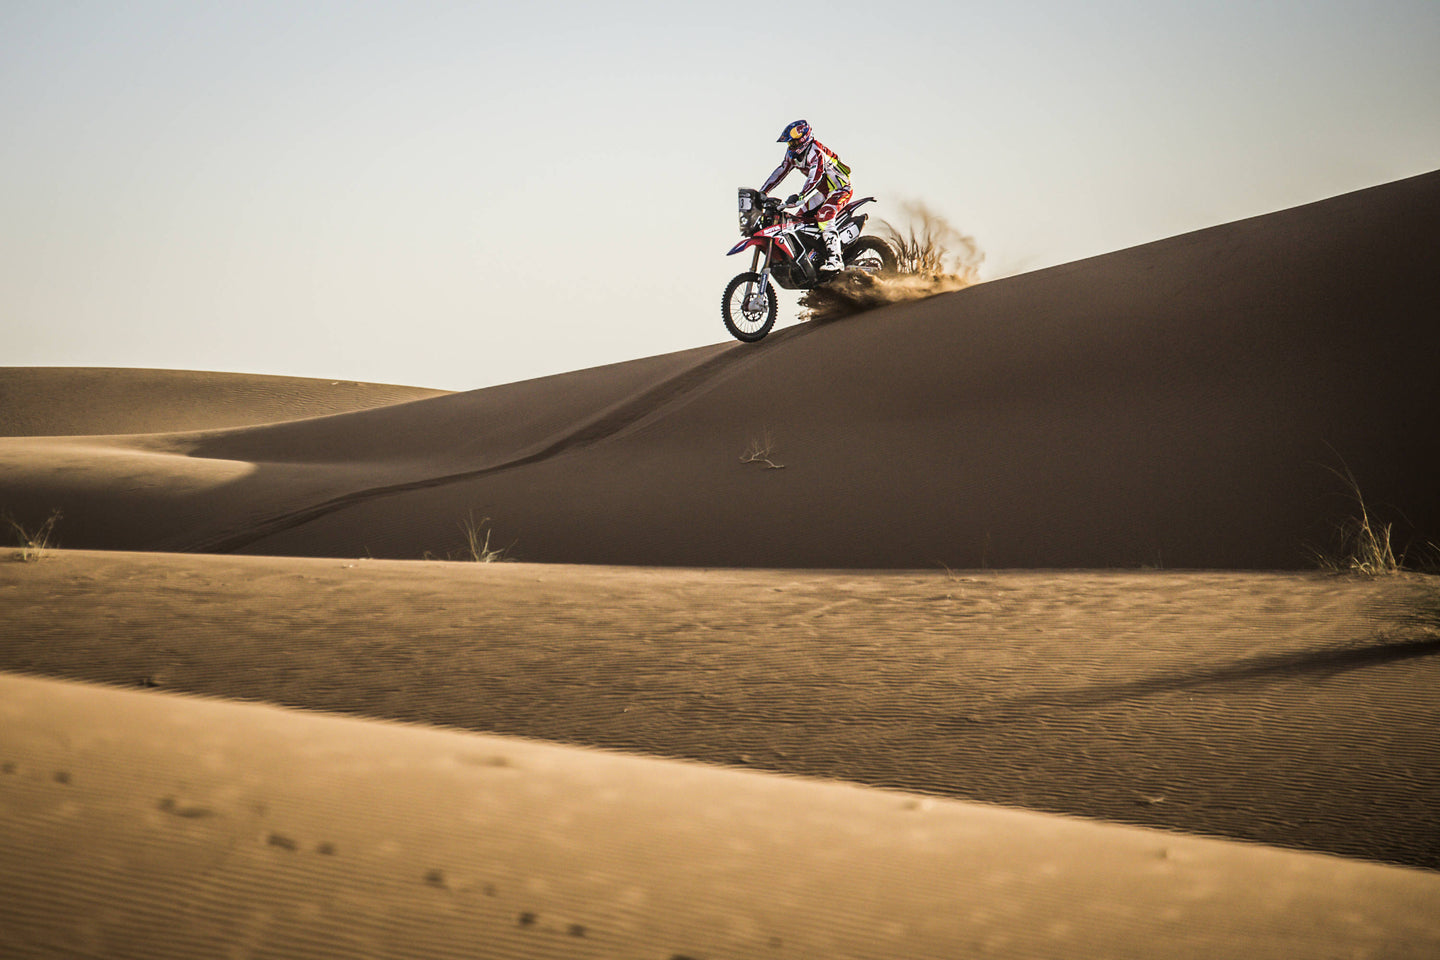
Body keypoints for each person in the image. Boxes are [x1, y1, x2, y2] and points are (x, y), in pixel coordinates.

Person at [760, 119, 854, 272]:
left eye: (793, 143)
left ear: (803, 139)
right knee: (799, 219)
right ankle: (814, 257)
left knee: (825, 216)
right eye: (789, 144)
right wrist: (762, 192)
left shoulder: (815, 152)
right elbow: (781, 171)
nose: (791, 147)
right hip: (825, 193)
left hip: (840, 189)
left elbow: (815, 176)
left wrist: (801, 196)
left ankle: (835, 259)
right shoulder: (792, 155)